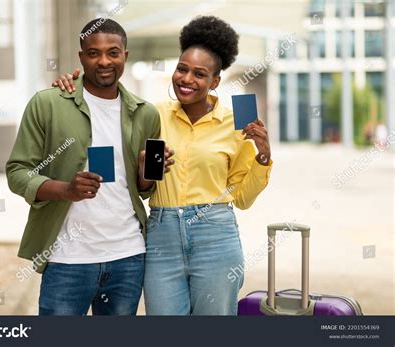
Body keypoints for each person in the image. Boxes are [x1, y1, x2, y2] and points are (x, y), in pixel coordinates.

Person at [52, 16, 272, 315]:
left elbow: (243, 199)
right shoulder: (151, 115)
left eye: (199, 74)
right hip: (161, 234)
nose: (187, 79)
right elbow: (105, 111)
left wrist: (262, 156)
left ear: (215, 81)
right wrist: (73, 83)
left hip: (215, 234)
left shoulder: (237, 123)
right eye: (182, 69)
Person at [6, 18, 173, 316]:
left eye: (113, 52)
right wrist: (66, 189)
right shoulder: (48, 104)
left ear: (125, 56)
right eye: (94, 53)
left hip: (128, 257)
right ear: (81, 57)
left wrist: (146, 175)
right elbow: (18, 172)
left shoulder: (145, 113)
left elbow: (144, 191)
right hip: (67, 258)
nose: (104, 61)